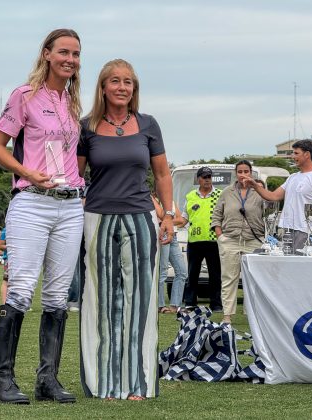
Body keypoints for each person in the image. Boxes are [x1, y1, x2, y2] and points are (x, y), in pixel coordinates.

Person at [0, 29, 85, 405]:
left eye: (75, 54)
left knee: (58, 295)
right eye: (63, 52)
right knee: (21, 289)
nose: (70, 59)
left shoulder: (72, 101)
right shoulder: (24, 95)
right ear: (47, 54)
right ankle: (3, 382)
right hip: (32, 202)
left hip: (70, 205)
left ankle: (48, 380)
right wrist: (26, 171)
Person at [77, 59, 173, 400]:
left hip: (141, 217)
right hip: (97, 218)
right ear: (103, 87)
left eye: (128, 82)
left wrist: (168, 215)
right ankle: (103, 383)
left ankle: (139, 383)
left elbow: (162, 174)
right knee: (99, 300)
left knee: (141, 301)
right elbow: (76, 177)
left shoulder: (148, 125)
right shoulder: (86, 127)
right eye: (115, 81)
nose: (122, 87)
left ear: (135, 88)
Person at [242, 140, 312, 253]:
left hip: (306, 232)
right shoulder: (292, 177)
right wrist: (255, 185)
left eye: (296, 153)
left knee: (300, 263)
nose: (293, 156)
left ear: (307, 154)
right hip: (287, 230)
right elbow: (273, 196)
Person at [211, 160, 264, 325]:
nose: (243, 175)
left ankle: (252, 314)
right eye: (240, 171)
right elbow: (216, 215)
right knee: (229, 278)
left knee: (254, 279)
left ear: (251, 173)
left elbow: (270, 209)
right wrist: (220, 236)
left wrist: (257, 187)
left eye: (246, 171)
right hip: (230, 239)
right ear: (236, 173)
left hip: (254, 240)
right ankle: (227, 315)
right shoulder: (227, 192)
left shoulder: (258, 191)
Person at [179, 166, 223, 312]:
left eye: (209, 177)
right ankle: (190, 302)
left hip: (213, 241)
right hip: (194, 241)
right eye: (204, 177)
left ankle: (216, 304)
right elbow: (184, 219)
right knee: (192, 274)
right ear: (198, 179)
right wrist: (168, 223)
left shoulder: (220, 194)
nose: (207, 180)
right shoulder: (190, 196)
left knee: (215, 274)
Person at [152, 195, 187, 314]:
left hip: (173, 236)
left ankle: (175, 305)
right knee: (162, 271)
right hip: (163, 235)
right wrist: (167, 220)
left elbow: (181, 220)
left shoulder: (169, 199)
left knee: (182, 272)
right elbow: (162, 216)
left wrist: (166, 221)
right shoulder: (151, 198)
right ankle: (160, 305)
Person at [0, 227, 8, 303]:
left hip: (22, 259)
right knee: (6, 281)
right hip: (9, 259)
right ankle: (5, 304)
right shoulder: (6, 230)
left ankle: (23, 304)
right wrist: (13, 248)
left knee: (22, 281)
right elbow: (1, 246)